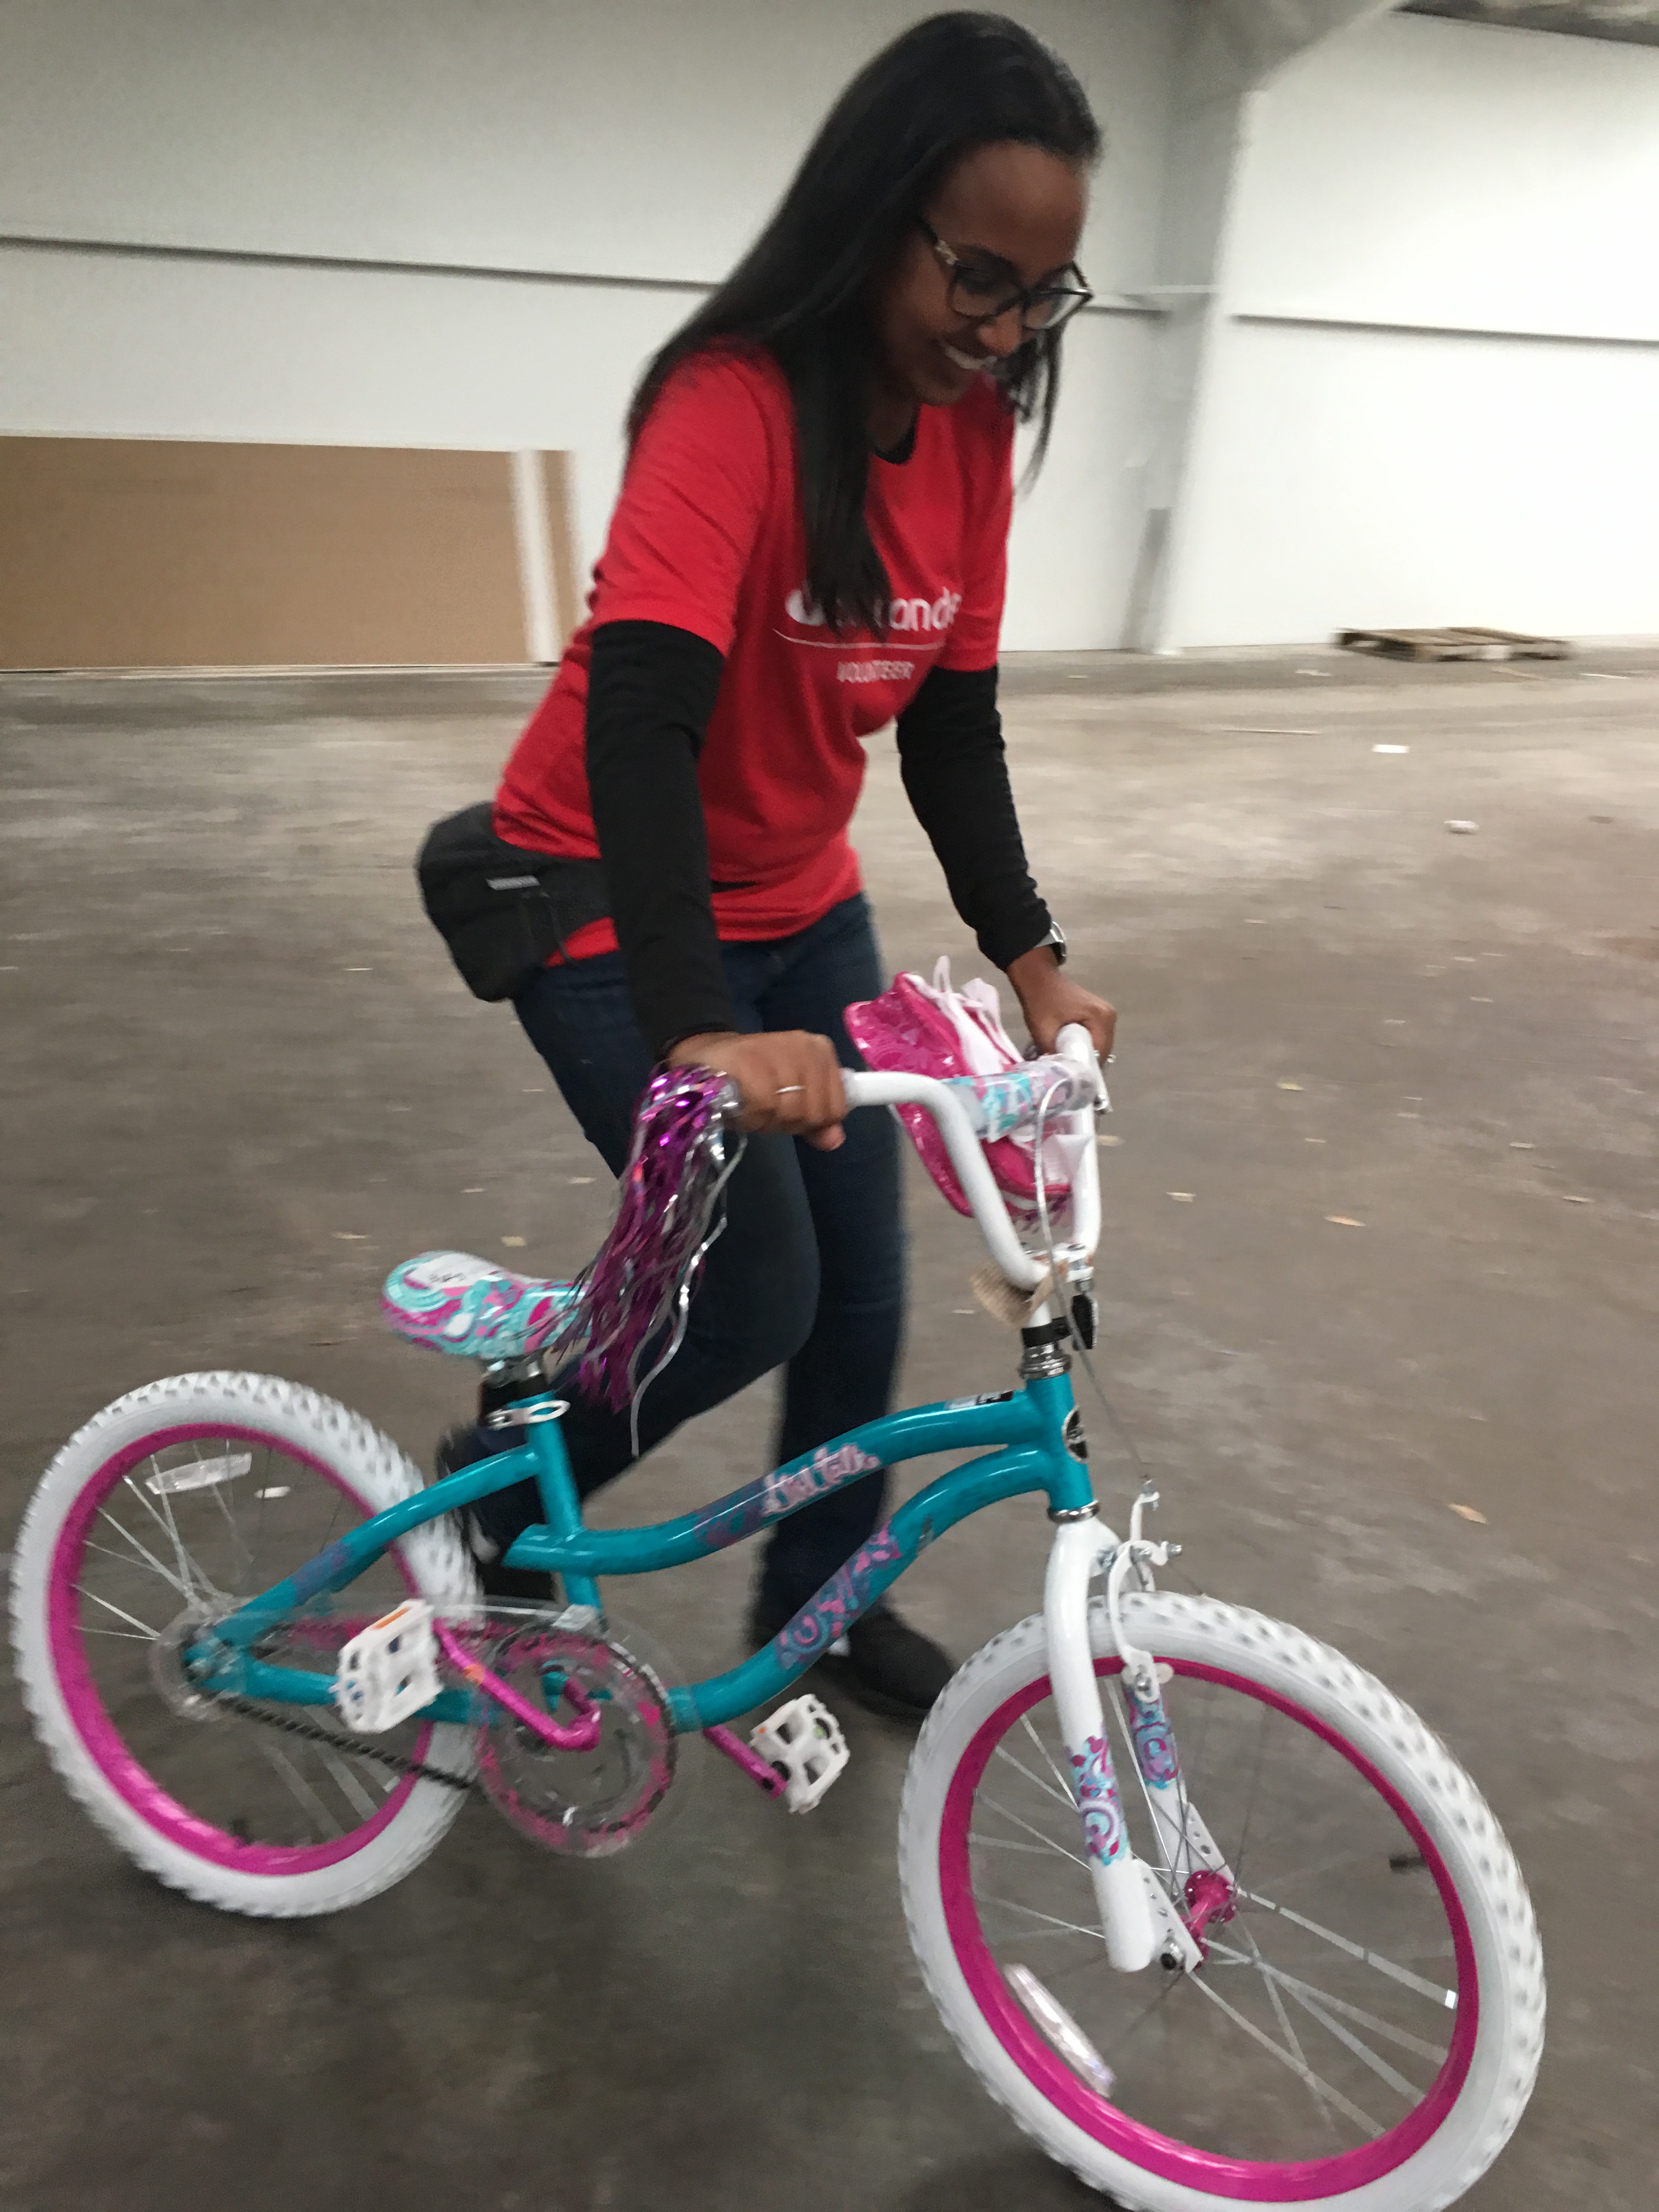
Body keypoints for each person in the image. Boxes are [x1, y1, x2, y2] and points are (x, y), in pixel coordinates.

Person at [445, 10, 1116, 1720]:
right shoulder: (732, 400)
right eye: (979, 275)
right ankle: (491, 1504)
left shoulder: (969, 441)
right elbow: (644, 724)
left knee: (862, 1296)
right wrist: (695, 1030)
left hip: (800, 894)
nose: (1008, 326)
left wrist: (1036, 963)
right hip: (599, 890)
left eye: (1046, 291)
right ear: (878, 216)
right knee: (749, 1285)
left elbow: (950, 730)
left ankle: (813, 1615)